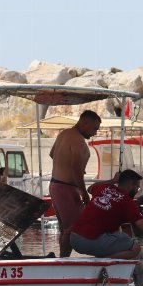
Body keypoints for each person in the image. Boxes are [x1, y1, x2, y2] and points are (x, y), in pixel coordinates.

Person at [70, 169, 143, 259]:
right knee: (135, 249)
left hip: (74, 239)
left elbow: (90, 188)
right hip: (89, 241)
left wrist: (113, 181)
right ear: (130, 185)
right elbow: (142, 226)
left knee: (120, 236)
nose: (137, 191)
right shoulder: (126, 201)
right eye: (137, 187)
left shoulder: (104, 188)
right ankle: (102, 262)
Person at [49, 110, 102, 257]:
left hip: (56, 185)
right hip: (65, 188)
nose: (95, 133)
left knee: (65, 228)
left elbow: (52, 154)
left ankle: (62, 260)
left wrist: (66, 167)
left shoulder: (64, 133)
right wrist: (84, 193)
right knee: (72, 228)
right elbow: (75, 168)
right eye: (94, 128)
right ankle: (63, 262)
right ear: (84, 123)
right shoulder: (77, 140)